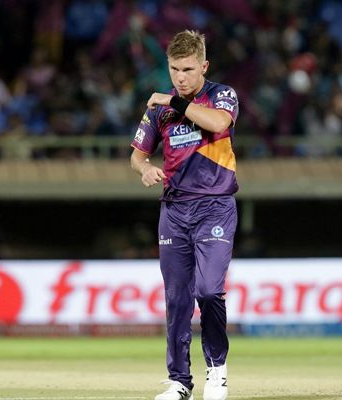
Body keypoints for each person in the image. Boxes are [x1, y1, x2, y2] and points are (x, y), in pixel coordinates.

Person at [130, 30, 238, 400]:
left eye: (188, 69)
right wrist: (143, 169)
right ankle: (179, 382)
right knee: (177, 299)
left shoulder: (221, 95)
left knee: (208, 291)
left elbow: (219, 124)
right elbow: (137, 154)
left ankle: (217, 371)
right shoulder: (160, 107)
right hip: (173, 210)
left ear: (203, 66)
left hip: (214, 206)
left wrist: (174, 101)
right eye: (174, 69)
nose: (180, 77)